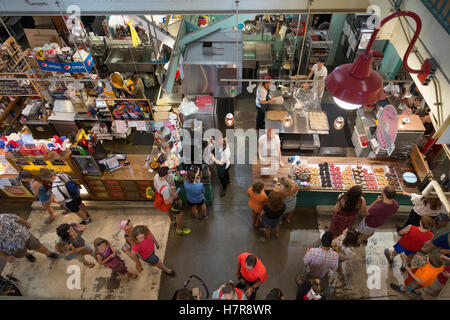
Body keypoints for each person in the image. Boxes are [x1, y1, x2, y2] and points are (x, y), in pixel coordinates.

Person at [154, 166, 191, 235]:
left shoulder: (156, 176)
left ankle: (172, 220)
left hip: (161, 198)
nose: (170, 172)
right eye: (169, 172)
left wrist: (169, 189)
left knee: (167, 210)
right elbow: (166, 202)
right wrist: (173, 196)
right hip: (168, 202)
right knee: (180, 214)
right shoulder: (165, 188)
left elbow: (156, 187)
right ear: (165, 175)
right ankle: (179, 229)